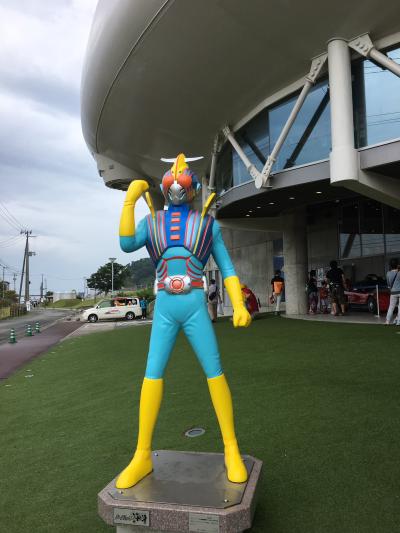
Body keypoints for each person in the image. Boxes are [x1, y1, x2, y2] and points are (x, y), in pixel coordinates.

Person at [116, 153, 251, 489]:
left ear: (194, 188)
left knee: (214, 371)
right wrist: (130, 203)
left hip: (192, 303)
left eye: (183, 180)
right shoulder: (152, 222)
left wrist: (239, 304)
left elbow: (228, 269)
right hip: (165, 304)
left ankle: (231, 448)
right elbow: (126, 242)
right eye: (172, 180)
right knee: (152, 375)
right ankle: (142, 453)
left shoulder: (208, 224)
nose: (176, 183)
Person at [385, 258, 400, 326]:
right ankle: (398, 322)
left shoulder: (388, 273)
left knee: (391, 307)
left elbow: (388, 285)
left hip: (393, 292)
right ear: (397, 265)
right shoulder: (399, 272)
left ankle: (387, 321)